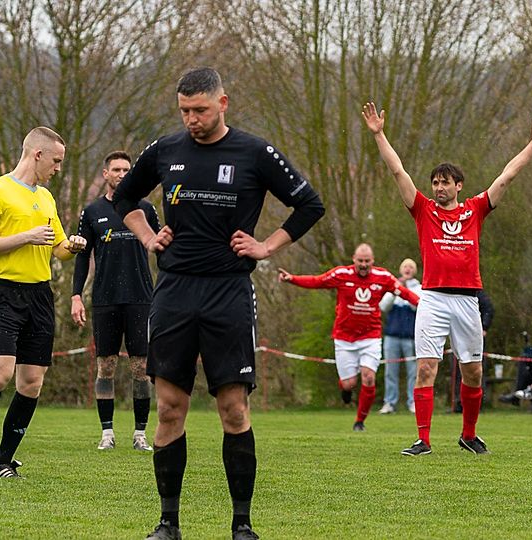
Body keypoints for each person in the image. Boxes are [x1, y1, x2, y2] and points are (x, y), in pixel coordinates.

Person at [112, 67, 324, 540]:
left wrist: (266, 246)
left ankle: (242, 525)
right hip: (174, 291)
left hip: (228, 291)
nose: (192, 119)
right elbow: (123, 198)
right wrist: (147, 236)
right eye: (184, 110)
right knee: (170, 408)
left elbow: (310, 205)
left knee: (233, 408)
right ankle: (168, 524)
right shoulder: (165, 150)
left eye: (201, 110)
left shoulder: (254, 152)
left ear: (223, 103)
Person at [363, 101, 532, 456]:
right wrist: (379, 135)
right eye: (435, 182)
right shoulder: (423, 210)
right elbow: (398, 171)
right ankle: (423, 440)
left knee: (473, 373)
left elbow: (506, 176)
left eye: (445, 182)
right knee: (426, 368)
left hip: (468, 300)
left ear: (458, 186)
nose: (438, 187)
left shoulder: (475, 210)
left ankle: (469, 435)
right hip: (433, 298)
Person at [0, 127, 88, 479]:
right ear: (37, 154)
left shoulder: (47, 198)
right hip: (3, 292)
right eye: (56, 161)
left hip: (39, 295)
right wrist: (26, 237)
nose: (58, 168)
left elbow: (57, 248)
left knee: (31, 383)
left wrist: (71, 246)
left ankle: (2, 462)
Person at [72, 151, 160, 451]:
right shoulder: (92, 211)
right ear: (105, 174)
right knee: (106, 366)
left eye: (126, 170)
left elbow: (163, 250)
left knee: (141, 368)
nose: (122, 174)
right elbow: (82, 257)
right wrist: (76, 295)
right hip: (105, 299)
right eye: (117, 170)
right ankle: (107, 433)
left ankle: (140, 434)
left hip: (141, 298)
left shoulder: (145, 209)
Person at [278, 244, 419, 431]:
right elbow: (317, 281)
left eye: (367, 261)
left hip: (370, 336)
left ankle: (360, 422)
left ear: (372, 261)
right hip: (344, 337)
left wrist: (423, 304)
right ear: (354, 259)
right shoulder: (341, 274)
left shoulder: (383, 277)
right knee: (349, 383)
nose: (363, 264)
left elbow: (405, 293)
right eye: (360, 261)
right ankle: (345, 391)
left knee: (368, 377)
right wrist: (292, 279)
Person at [378, 258, 421, 415]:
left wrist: (406, 292)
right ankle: (389, 403)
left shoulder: (419, 288)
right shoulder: (392, 286)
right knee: (390, 371)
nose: (408, 269)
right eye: (405, 267)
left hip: (411, 336)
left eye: (411, 267)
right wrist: (396, 290)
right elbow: (383, 306)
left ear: (414, 270)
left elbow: (417, 307)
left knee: (413, 372)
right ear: (401, 270)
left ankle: (413, 402)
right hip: (392, 336)